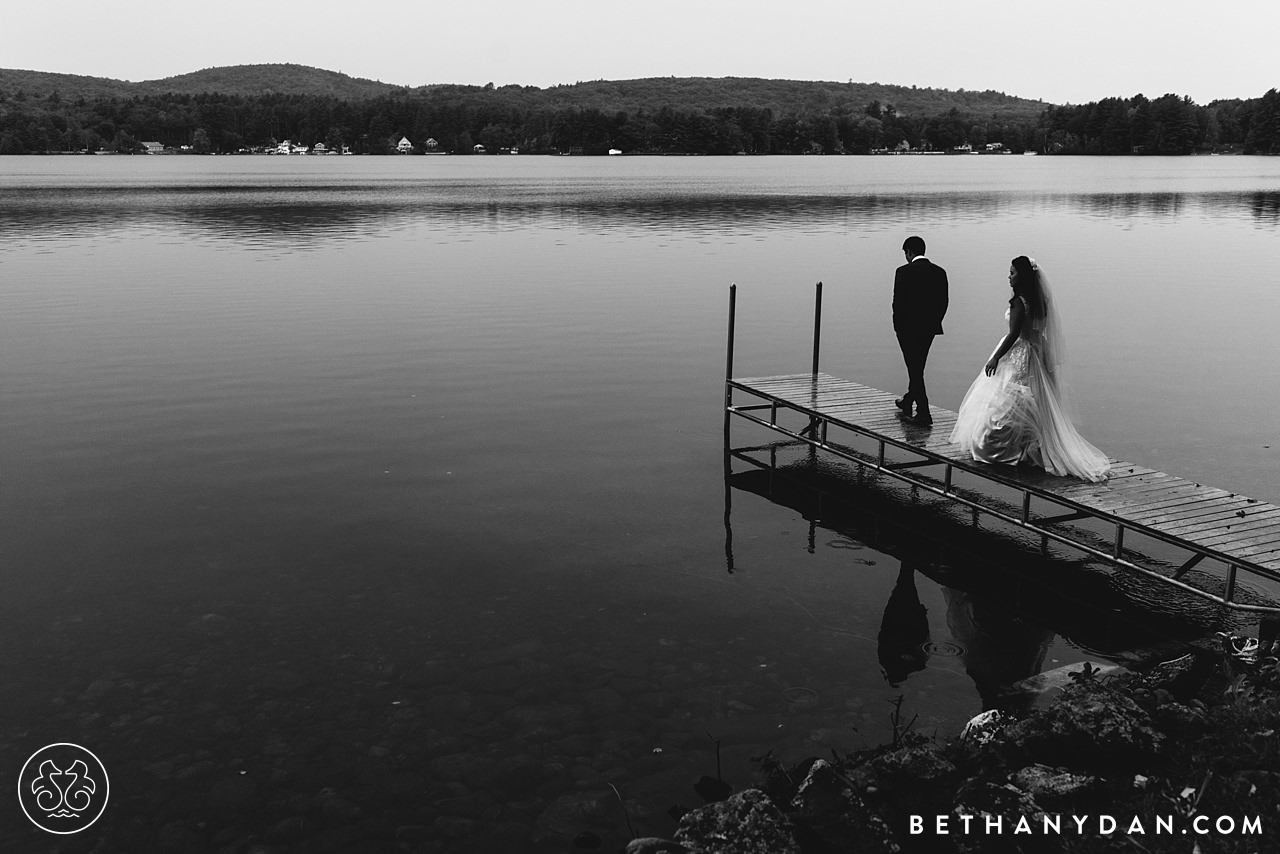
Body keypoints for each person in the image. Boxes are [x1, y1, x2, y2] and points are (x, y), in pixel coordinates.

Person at [949, 256, 1110, 482]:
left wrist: (995, 357)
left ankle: (1006, 449)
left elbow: (1014, 334)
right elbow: (1040, 330)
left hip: (1019, 354)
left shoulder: (1018, 303)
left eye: (1012, 273)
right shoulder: (1041, 301)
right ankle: (1026, 447)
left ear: (1022, 276)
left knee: (1007, 403)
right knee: (1035, 400)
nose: (1009, 277)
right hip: (1037, 352)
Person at [893, 236, 949, 426]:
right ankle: (909, 399)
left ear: (909, 252)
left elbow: (898, 303)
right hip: (929, 329)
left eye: (905, 253)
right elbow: (944, 302)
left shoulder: (903, 272)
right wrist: (935, 322)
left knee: (915, 369)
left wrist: (898, 328)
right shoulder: (939, 272)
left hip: (907, 330)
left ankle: (924, 412)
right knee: (917, 366)